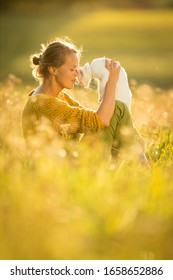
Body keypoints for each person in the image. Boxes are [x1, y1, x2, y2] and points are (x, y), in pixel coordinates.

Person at [21, 37, 148, 165]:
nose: (76, 74)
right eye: (72, 69)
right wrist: (111, 83)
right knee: (117, 109)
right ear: (53, 69)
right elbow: (101, 120)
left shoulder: (58, 97)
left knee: (116, 111)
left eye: (77, 69)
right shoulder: (43, 104)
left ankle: (136, 164)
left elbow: (91, 118)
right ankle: (137, 167)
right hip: (62, 171)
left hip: (71, 161)